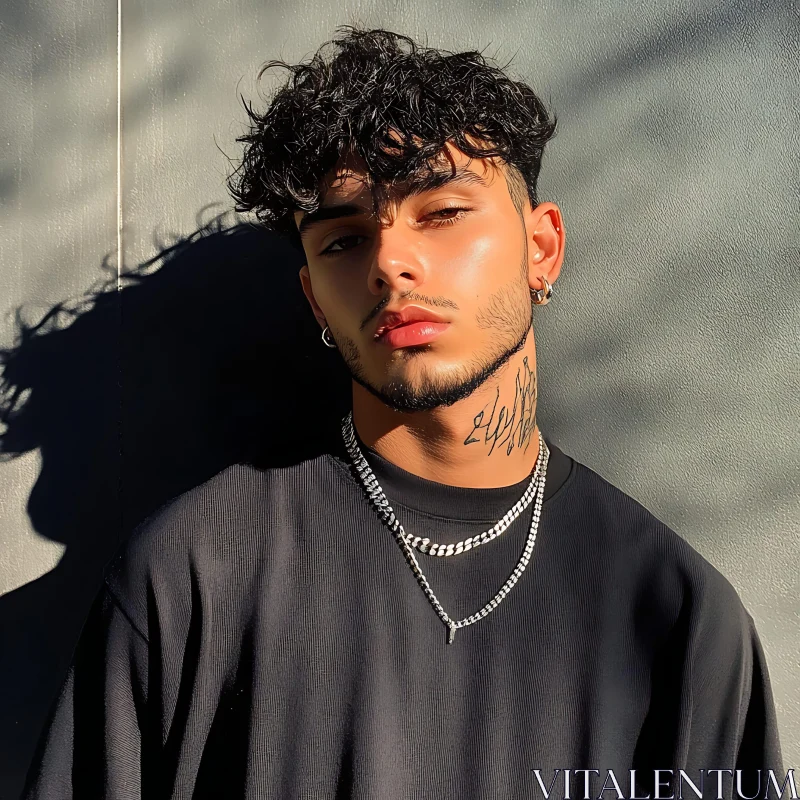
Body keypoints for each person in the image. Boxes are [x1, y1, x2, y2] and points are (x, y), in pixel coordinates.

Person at [23, 27, 784, 800]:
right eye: (347, 239)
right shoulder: (196, 572)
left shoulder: (676, 615)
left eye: (444, 211)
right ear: (316, 297)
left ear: (541, 249)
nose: (390, 262)